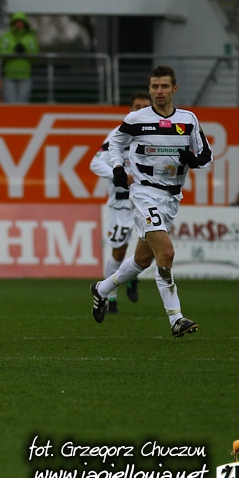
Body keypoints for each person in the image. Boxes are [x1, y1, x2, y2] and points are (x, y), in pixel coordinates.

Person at [90, 65, 212, 338]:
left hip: (171, 197)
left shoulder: (188, 120)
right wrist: (117, 168)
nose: (159, 91)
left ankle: (102, 288)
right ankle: (176, 318)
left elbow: (206, 155)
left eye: (164, 86)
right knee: (165, 253)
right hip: (144, 193)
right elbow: (115, 143)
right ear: (150, 89)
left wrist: (194, 160)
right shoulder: (136, 119)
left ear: (174, 89)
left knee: (142, 259)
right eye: (155, 86)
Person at [89, 91, 151, 313]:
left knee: (154, 248)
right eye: (136, 107)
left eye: (145, 107)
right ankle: (110, 297)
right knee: (119, 250)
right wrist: (120, 175)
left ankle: (131, 276)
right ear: (130, 109)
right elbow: (95, 164)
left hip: (149, 200)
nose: (140, 111)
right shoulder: (118, 134)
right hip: (122, 203)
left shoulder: (159, 135)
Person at [0, 12, 40, 103]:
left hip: (25, 75)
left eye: (21, 22)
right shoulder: (6, 37)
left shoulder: (30, 38)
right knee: (9, 101)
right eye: (17, 22)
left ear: (25, 23)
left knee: (23, 102)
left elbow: (35, 55)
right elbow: (0, 52)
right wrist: (13, 51)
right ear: (13, 23)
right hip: (9, 75)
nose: (19, 24)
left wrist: (25, 51)